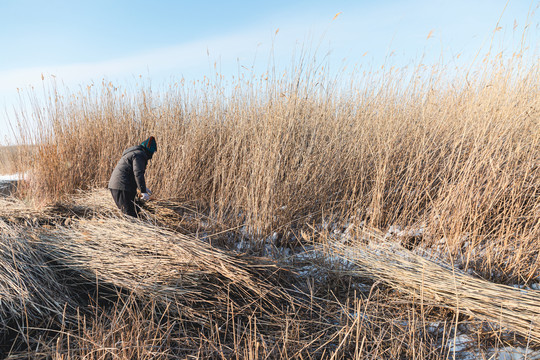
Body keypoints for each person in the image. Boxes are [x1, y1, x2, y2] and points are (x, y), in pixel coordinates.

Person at [108, 136, 157, 217]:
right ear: (148, 150)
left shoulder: (135, 153)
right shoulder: (139, 155)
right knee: (129, 215)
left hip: (123, 186)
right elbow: (138, 173)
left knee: (135, 211)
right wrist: (143, 191)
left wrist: (143, 188)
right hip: (121, 186)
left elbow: (132, 174)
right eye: (152, 152)